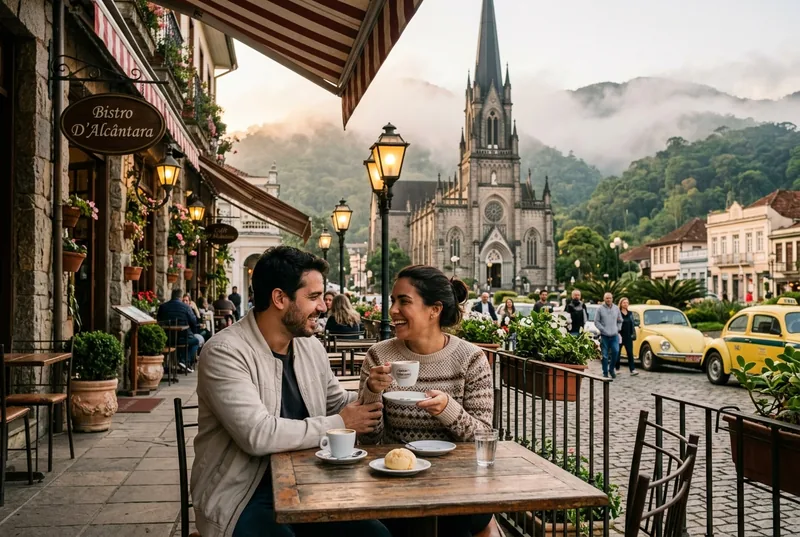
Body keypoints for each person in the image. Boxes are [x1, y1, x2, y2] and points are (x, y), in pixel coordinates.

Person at [191, 246, 389, 537]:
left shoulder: (309, 346)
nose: (323, 306)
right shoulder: (224, 352)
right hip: (243, 494)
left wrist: (372, 390)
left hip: (310, 482)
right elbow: (257, 435)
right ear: (279, 298)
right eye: (313, 297)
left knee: (376, 535)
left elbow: (336, 403)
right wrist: (341, 423)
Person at [359, 265, 494, 537]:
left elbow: (483, 436)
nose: (393, 310)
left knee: (453, 519)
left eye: (404, 301)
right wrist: (372, 390)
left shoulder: (471, 358)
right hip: (396, 481)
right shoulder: (378, 355)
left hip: (458, 483)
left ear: (435, 310)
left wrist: (448, 410)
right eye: (393, 301)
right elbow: (369, 441)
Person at [157, 288, 200, 372]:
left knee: (188, 339)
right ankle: (185, 361)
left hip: (167, 339)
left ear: (171, 296)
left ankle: (180, 361)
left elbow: (159, 320)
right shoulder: (186, 307)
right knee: (195, 341)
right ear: (180, 297)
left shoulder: (163, 307)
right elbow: (194, 321)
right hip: (183, 338)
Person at [594, 292, 622, 380]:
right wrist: (602, 329)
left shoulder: (616, 308)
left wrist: (618, 328)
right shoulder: (600, 309)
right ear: (604, 299)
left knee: (616, 352)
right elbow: (596, 321)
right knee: (605, 355)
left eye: (610, 298)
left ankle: (611, 369)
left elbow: (620, 320)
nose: (608, 299)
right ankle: (605, 372)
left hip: (614, 335)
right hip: (604, 336)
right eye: (607, 298)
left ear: (612, 298)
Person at [617, 297, 638, 376]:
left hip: (628, 335)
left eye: (627, 302)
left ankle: (632, 369)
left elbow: (633, 323)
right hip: (619, 335)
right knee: (617, 352)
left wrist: (632, 332)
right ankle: (617, 368)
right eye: (624, 302)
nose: (625, 304)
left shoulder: (630, 313)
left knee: (630, 352)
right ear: (621, 304)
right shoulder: (618, 313)